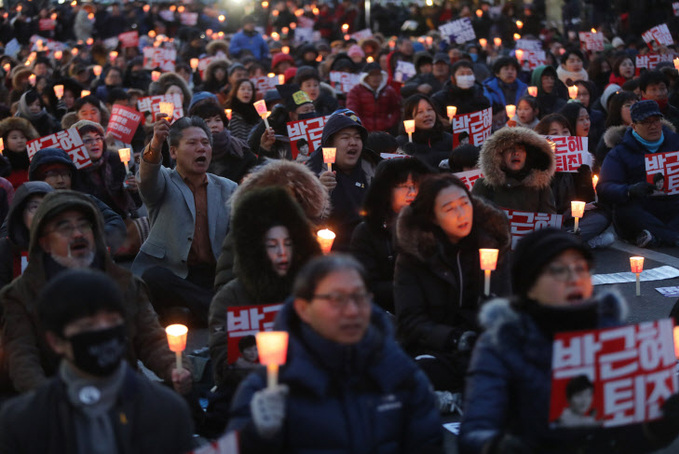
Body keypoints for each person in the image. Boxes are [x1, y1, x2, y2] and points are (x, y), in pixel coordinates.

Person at [458, 228, 679, 453]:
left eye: (580, 268)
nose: (573, 278)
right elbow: (475, 431)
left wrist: (658, 427)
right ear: (529, 286)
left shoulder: (612, 334)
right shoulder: (502, 343)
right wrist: (501, 446)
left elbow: (626, 441)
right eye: (558, 271)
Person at [227, 254, 443, 453]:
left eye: (359, 297)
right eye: (336, 299)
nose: (352, 311)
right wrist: (256, 436)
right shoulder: (266, 389)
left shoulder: (401, 375)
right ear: (304, 309)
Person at [0, 191, 191, 394]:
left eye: (84, 225)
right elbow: (22, 358)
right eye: (65, 228)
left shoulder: (125, 284)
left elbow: (151, 339)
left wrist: (175, 368)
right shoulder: (20, 295)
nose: (77, 234)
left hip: (123, 393)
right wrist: (51, 404)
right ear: (45, 243)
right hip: (58, 398)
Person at [0, 269, 194, 454]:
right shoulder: (23, 422)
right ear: (56, 342)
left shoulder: (167, 412)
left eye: (112, 321)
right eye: (88, 325)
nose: (103, 331)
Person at [208, 187, 321, 414]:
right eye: (272, 245)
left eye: (287, 244)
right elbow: (222, 363)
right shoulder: (230, 297)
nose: (282, 252)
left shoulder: (312, 292)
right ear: (257, 250)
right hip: (253, 402)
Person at [394, 173, 511, 392]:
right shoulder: (414, 255)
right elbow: (410, 321)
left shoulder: (490, 243)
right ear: (433, 218)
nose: (461, 214)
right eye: (449, 209)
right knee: (423, 371)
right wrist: (455, 338)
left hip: (484, 343)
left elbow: (507, 302)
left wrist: (491, 311)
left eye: (464, 204)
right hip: (436, 347)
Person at [133, 115, 237, 326]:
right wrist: (155, 143)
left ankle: (190, 312)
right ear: (173, 151)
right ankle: (216, 311)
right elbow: (147, 177)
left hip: (212, 275)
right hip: (173, 274)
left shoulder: (228, 188)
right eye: (192, 143)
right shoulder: (163, 181)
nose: (201, 148)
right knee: (154, 279)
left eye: (205, 143)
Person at [350, 157, 432, 313]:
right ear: (386, 190)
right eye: (404, 186)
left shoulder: (432, 225)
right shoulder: (368, 231)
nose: (412, 193)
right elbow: (367, 285)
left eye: (416, 186)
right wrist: (413, 287)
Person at [598, 100, 679, 247]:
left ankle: (657, 236)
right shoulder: (619, 152)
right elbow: (604, 187)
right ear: (634, 126)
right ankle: (670, 236)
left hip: (673, 205)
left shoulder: (675, 142)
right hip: (642, 207)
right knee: (625, 212)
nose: (653, 126)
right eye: (646, 122)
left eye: (656, 121)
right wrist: (629, 190)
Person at [27, 147, 127, 254]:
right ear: (38, 178)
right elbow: (10, 235)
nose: (61, 180)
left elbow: (116, 224)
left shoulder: (85, 201)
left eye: (65, 174)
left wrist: (91, 240)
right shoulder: (27, 206)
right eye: (52, 174)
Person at [306, 111, 381, 251]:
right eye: (345, 138)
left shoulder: (374, 169)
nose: (353, 143)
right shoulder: (311, 174)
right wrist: (318, 190)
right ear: (330, 143)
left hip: (369, 250)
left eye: (357, 138)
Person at [472, 127, 556, 213]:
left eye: (521, 149)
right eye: (509, 148)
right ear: (499, 156)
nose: (515, 152)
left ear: (528, 156)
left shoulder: (541, 188)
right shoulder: (484, 186)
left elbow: (549, 222)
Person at [189, 98, 257, 184]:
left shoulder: (239, 149)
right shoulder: (190, 152)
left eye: (218, 120)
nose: (214, 125)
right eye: (208, 121)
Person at [0, 182, 54, 290]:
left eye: (47, 207)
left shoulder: (64, 245)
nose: (41, 213)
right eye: (34, 207)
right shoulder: (5, 248)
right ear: (20, 213)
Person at [396, 94, 453, 167]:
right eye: (420, 112)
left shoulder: (449, 139)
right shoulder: (401, 143)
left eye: (429, 110)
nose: (427, 114)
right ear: (410, 117)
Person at [346, 61, 401, 133]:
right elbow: (352, 111)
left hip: (385, 132)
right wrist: (361, 126)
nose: (376, 78)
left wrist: (389, 124)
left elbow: (396, 110)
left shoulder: (389, 91)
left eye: (378, 74)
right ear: (365, 77)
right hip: (364, 132)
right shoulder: (355, 91)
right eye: (372, 75)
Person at [0, 116, 39, 189]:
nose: (19, 141)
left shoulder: (35, 160)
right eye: (14, 138)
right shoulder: (2, 165)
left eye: (23, 137)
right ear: (5, 142)